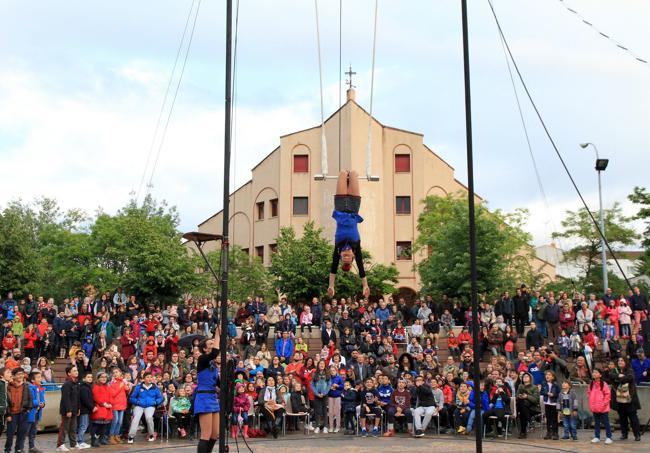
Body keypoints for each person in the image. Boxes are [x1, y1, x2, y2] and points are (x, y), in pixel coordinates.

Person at [327, 171, 370, 298]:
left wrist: (331, 285)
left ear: (340, 256)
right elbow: (361, 269)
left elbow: (333, 269)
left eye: (343, 258)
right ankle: (352, 176)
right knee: (353, 174)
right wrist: (365, 285)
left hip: (340, 206)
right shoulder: (356, 247)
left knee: (342, 173)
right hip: (353, 206)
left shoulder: (338, 248)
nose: (346, 256)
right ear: (353, 257)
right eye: (348, 258)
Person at [191, 338, 220, 453]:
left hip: (213, 397)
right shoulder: (202, 358)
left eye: (213, 343)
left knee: (214, 434)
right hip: (204, 397)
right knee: (206, 435)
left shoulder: (213, 364)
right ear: (204, 348)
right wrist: (218, 335)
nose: (213, 345)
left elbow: (218, 383)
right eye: (210, 343)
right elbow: (215, 352)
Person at [127, 372, 164, 444]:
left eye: (151, 377)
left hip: (150, 406)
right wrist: (137, 402)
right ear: (144, 379)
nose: (149, 379)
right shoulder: (138, 387)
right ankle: (131, 436)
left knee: (149, 418)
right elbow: (132, 398)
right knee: (136, 418)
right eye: (147, 377)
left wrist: (155, 402)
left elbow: (161, 398)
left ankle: (151, 435)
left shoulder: (155, 388)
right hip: (139, 405)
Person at [611, 357, 641, 441]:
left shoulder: (629, 370)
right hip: (619, 398)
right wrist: (618, 375)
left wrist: (618, 379)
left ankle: (637, 434)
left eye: (622, 360)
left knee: (633, 417)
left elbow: (629, 378)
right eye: (619, 360)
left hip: (629, 398)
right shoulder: (615, 370)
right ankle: (624, 434)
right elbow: (611, 376)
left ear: (626, 362)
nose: (620, 362)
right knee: (622, 417)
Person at [5, 368, 33, 453]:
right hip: (12, 414)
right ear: (13, 376)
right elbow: (5, 400)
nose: (21, 376)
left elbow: (30, 399)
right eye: (18, 374)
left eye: (22, 374)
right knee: (10, 434)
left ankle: (19, 449)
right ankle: (7, 450)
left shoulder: (26, 386)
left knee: (22, 433)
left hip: (23, 413)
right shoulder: (8, 386)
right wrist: (7, 414)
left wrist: (28, 409)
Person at [57, 365, 80, 451]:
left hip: (74, 409)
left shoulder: (76, 383)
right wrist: (68, 410)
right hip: (67, 410)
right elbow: (65, 398)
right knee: (64, 428)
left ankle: (73, 443)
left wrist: (78, 408)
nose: (76, 372)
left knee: (73, 428)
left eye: (76, 370)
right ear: (69, 373)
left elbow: (77, 397)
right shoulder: (67, 384)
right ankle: (60, 445)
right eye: (74, 371)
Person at [588, 368, 613, 444]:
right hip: (595, 408)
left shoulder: (604, 384)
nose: (594, 374)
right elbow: (589, 394)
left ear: (600, 375)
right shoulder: (591, 384)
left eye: (596, 372)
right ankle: (597, 437)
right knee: (596, 423)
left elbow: (608, 395)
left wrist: (603, 404)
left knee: (606, 422)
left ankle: (609, 437)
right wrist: (591, 404)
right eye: (593, 372)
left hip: (603, 408)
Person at [90, 372, 112, 447]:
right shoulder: (96, 386)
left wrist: (110, 403)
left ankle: (101, 438)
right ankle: (94, 440)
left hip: (107, 408)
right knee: (96, 425)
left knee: (104, 425)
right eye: (102, 377)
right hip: (100, 407)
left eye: (105, 377)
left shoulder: (107, 386)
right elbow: (96, 397)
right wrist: (104, 404)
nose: (104, 378)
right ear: (98, 378)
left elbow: (110, 396)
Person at [108, 368, 130, 444]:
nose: (115, 374)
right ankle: (111, 436)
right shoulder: (112, 383)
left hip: (122, 403)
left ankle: (116, 435)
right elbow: (113, 394)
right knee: (115, 420)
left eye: (116, 372)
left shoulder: (122, 381)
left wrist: (126, 384)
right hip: (115, 404)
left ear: (120, 373)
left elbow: (127, 390)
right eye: (114, 372)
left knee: (120, 422)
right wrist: (120, 386)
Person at [515, 372, 540, 439]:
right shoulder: (520, 386)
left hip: (532, 407)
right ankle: (530, 420)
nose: (525, 378)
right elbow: (516, 396)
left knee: (522, 413)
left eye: (526, 376)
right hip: (522, 407)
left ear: (530, 378)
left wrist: (527, 396)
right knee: (521, 403)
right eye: (524, 377)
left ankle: (523, 432)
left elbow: (536, 400)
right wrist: (519, 396)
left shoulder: (534, 387)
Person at [27, 370, 45, 453]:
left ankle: (32, 447)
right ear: (32, 380)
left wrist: (43, 404)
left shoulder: (40, 388)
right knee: (26, 430)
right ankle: (19, 448)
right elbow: (29, 400)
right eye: (38, 377)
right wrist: (38, 403)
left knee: (33, 431)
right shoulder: (30, 388)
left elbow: (42, 400)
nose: (40, 379)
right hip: (30, 413)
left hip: (37, 412)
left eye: (40, 377)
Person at [77, 372, 94, 449]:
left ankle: (80, 441)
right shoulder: (84, 387)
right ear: (84, 378)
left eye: (91, 377)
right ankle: (80, 441)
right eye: (88, 377)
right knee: (83, 425)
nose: (90, 378)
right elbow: (85, 400)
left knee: (84, 425)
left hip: (86, 409)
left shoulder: (87, 386)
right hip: (84, 410)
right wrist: (92, 407)